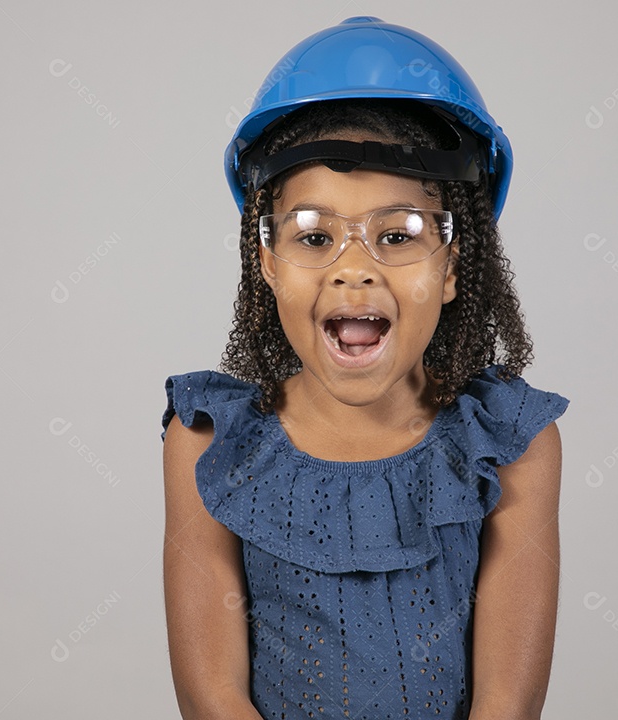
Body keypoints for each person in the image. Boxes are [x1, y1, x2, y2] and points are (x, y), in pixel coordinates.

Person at [161, 16, 570, 720]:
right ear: (266, 264)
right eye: (315, 235)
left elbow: (508, 701)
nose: (354, 268)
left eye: (397, 235)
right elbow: (212, 698)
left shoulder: (508, 446)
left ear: (451, 266)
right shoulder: (207, 442)